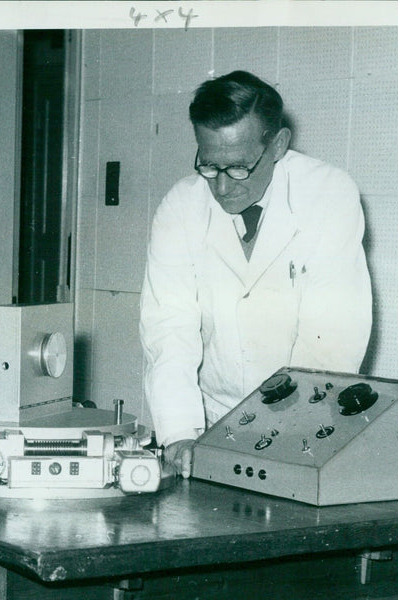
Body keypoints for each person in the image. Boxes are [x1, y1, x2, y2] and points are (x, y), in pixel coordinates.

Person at [139, 70, 372, 477]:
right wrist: (179, 433)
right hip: (207, 423)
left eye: (240, 168)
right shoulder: (180, 206)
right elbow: (168, 328)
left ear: (278, 144)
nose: (224, 189)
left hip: (305, 420)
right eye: (209, 166)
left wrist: (271, 438)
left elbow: (331, 340)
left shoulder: (328, 194)